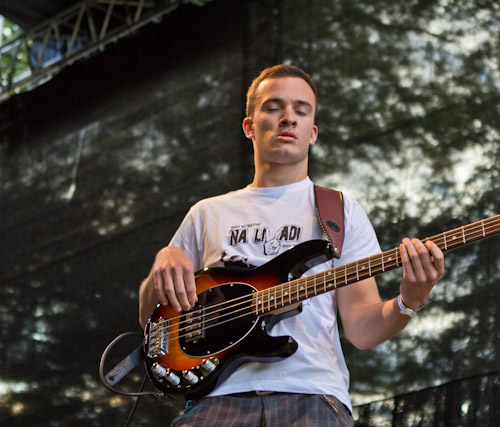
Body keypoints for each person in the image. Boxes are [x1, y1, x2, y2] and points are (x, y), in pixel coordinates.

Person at [138, 64, 445, 426]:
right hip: (216, 402)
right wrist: (165, 259)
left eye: (301, 110)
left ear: (312, 132)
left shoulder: (341, 211)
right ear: (249, 126)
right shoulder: (207, 213)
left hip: (312, 397)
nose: (288, 118)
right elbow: (151, 318)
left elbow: (362, 330)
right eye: (273, 107)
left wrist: (410, 300)